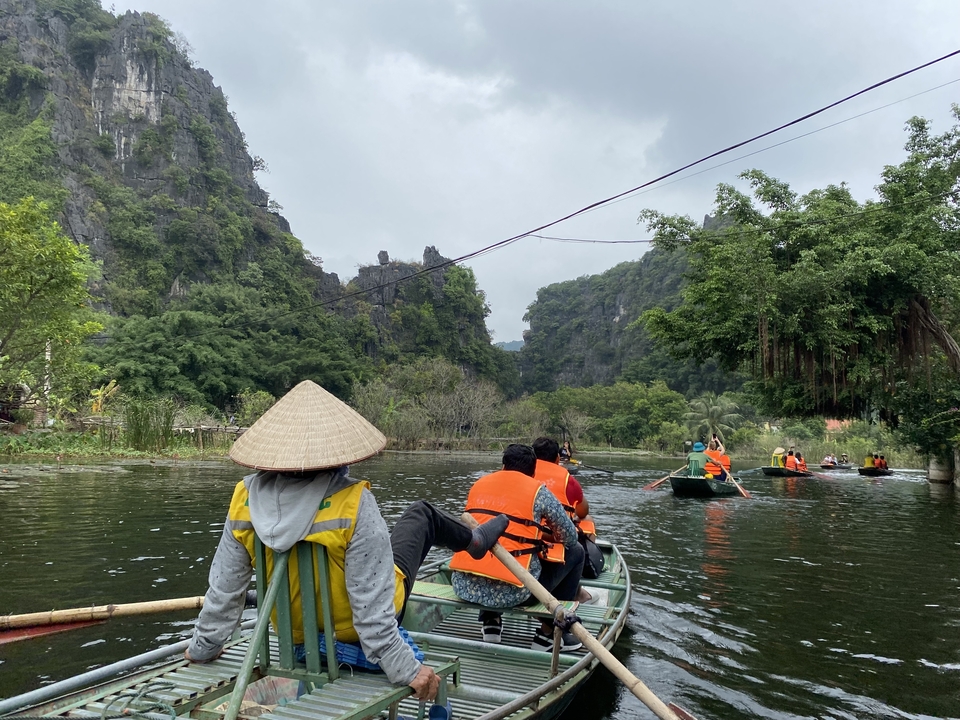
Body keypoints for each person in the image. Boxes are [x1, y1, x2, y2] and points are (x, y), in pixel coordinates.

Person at [184, 380, 509, 703]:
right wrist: (406, 668)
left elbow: (225, 593)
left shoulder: (243, 499)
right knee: (421, 514)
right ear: (337, 453)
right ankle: (475, 543)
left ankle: (475, 541)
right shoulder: (353, 503)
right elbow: (370, 613)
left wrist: (203, 648)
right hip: (354, 630)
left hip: (293, 637)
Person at [451, 444, 584, 652]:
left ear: (503, 466)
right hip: (515, 594)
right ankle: (548, 633)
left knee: (490, 546)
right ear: (533, 472)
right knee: (576, 552)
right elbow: (569, 537)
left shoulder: (478, 484)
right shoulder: (538, 491)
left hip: (463, 585)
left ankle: (490, 622)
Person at [532, 437, 600, 598]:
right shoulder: (568, 480)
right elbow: (583, 512)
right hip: (552, 539)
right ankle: (577, 588)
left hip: (527, 534)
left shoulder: (522, 474)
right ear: (557, 458)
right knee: (587, 523)